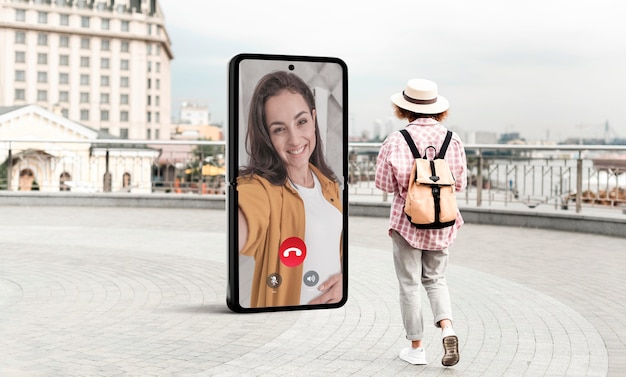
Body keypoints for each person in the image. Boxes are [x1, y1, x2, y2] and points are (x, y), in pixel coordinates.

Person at [375, 79, 467, 367]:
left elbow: (385, 184)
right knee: (436, 280)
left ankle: (417, 348)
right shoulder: (453, 139)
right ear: (437, 109)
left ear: (403, 108)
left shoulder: (396, 139)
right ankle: (448, 328)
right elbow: (460, 183)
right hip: (442, 222)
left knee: (409, 284)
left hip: (407, 221)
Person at [237, 71, 343, 308]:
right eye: (279, 129)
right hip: (285, 330)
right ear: (266, 136)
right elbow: (241, 220)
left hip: (334, 325)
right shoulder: (259, 189)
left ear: (314, 119)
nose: (295, 139)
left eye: (301, 121)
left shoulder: (329, 185)